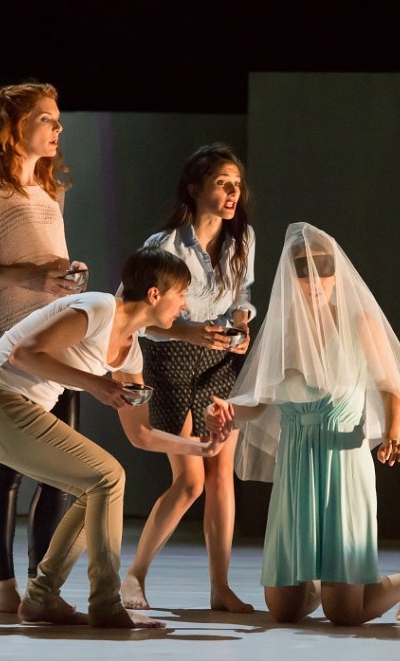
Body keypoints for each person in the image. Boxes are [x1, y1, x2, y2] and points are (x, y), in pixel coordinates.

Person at [0, 247, 218, 628]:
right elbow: (24, 355)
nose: (183, 305)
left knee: (98, 485)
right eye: (181, 294)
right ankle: (105, 602)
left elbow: (141, 434)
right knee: (107, 477)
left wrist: (201, 446)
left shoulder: (130, 355)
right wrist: (96, 384)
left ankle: (42, 598)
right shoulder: (98, 308)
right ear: (154, 295)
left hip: (13, 411)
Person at [206, 223, 400, 626]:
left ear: (336, 274)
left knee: (345, 614)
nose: (314, 281)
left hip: (342, 458)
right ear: (290, 276)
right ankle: (324, 581)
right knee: (283, 610)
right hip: (296, 462)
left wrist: (393, 434)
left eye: (323, 271)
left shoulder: (357, 321)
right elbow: (257, 403)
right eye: (304, 271)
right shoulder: (282, 327)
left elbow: (391, 387)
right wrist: (227, 411)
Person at [0, 81, 84, 614]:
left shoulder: (49, 191)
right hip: (7, 344)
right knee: (7, 467)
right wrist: (33, 276)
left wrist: (66, 279)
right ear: (15, 126)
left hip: (57, 343)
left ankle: (39, 586)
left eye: (57, 120)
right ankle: (2, 586)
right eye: (47, 119)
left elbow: (51, 263)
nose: (57, 128)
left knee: (64, 468)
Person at [121, 143, 256, 613]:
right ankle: (133, 576)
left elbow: (243, 297)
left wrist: (240, 327)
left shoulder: (243, 240)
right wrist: (188, 331)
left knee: (222, 476)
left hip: (220, 363)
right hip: (172, 361)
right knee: (190, 482)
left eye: (237, 183)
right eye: (223, 182)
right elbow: (134, 315)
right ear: (196, 189)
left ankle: (220, 588)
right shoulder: (163, 247)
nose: (233, 191)